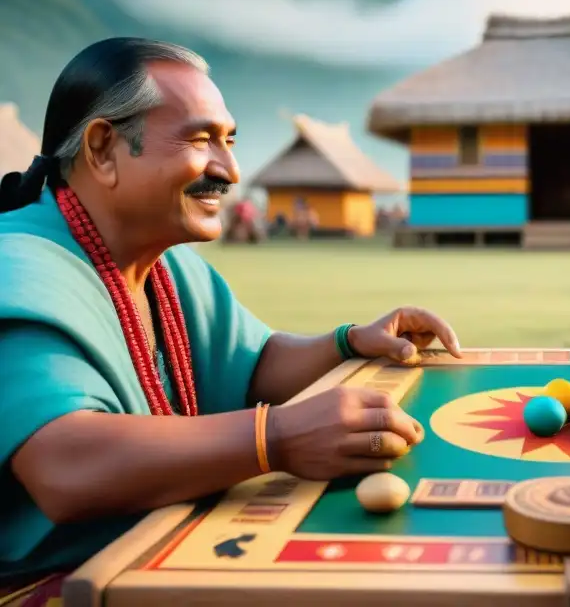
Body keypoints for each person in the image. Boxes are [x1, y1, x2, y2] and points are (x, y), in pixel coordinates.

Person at [0, 38, 462, 599]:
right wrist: (276, 438)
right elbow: (64, 465)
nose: (230, 169)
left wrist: (347, 343)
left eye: (230, 141)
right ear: (102, 149)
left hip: (158, 552)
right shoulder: (18, 266)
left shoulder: (170, 270)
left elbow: (253, 361)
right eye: (201, 140)